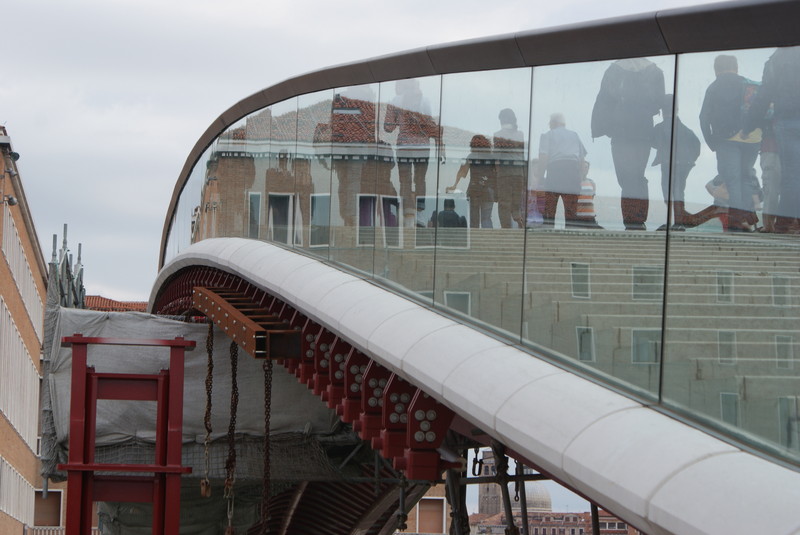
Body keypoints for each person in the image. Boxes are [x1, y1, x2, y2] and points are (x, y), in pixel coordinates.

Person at [592, 57, 665, 230]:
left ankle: (632, 220)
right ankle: (638, 219)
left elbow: (604, 100)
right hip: (643, 129)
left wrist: (603, 126)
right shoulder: (655, 71)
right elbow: (658, 103)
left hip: (621, 130)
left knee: (626, 177)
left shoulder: (613, 70)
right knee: (637, 175)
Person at [699, 54, 761, 232]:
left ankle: (736, 223)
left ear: (716, 69)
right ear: (736, 67)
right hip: (752, 138)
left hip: (726, 140)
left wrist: (712, 143)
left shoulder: (714, 87)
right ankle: (747, 222)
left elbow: (703, 117)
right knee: (746, 177)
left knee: (732, 180)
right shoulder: (748, 84)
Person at [745, 46, 800, 234]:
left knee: (791, 174)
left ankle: (786, 223)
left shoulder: (776, 59)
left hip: (787, 119)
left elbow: (764, 95)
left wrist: (749, 125)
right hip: (788, 119)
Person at [384, 79, 440, 224]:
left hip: (404, 147)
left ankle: (407, 214)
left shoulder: (396, 100)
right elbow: (430, 124)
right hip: (422, 147)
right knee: (420, 179)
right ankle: (420, 214)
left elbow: (388, 127)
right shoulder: (425, 101)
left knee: (405, 180)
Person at [652, 94, 701, 230]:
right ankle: (678, 221)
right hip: (684, 163)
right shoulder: (687, 130)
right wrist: (689, 160)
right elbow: (696, 147)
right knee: (679, 191)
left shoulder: (660, 127)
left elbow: (654, 142)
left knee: (668, 192)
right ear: (677, 109)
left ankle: (676, 222)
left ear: (662, 110)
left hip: (668, 163)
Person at [536, 113, 587, 228]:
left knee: (549, 210)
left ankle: (548, 237)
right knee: (571, 213)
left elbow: (543, 158)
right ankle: (569, 240)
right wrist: (581, 177)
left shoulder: (547, 135)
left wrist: (540, 177)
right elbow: (582, 160)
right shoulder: (575, 135)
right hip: (572, 172)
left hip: (555, 171)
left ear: (553, 123)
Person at [446, 134, 495, 228]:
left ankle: (474, 241)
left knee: (474, 219)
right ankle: (488, 240)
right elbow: (496, 174)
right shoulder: (491, 157)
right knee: (486, 218)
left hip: (474, 190)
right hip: (488, 191)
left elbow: (462, 172)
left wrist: (454, 185)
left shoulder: (471, 156)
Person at [493, 108, 527, 228]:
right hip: (519, 174)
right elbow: (523, 156)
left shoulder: (498, 135)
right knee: (516, 205)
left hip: (505, 174)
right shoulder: (520, 134)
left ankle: (506, 230)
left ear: (502, 120)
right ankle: (521, 227)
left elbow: (496, 157)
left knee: (504, 204)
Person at [575, 161, 603, 229]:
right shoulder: (575, 182)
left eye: (587, 167)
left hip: (590, 217)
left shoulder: (592, 182)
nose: (585, 169)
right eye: (583, 167)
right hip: (578, 218)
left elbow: (591, 198)